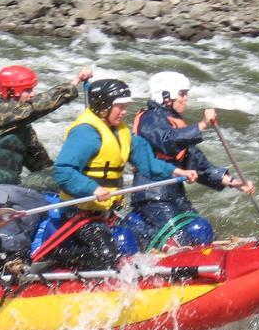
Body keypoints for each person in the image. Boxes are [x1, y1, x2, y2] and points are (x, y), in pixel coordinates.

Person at [49, 79, 197, 269]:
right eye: (120, 106)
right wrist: (92, 189)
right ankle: (58, 255)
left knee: (146, 239)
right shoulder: (86, 133)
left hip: (106, 213)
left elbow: (148, 164)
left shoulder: (121, 132)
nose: (125, 111)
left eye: (125, 106)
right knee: (106, 256)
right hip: (78, 215)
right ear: (104, 107)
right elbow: (63, 171)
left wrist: (177, 171)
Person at [127, 71, 254, 249]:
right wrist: (202, 125)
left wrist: (234, 183)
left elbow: (197, 163)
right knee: (180, 239)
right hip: (152, 195)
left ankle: (206, 263)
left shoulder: (173, 121)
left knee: (201, 231)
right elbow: (167, 142)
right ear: (166, 96)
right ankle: (152, 245)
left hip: (174, 195)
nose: (186, 99)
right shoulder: (150, 118)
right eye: (182, 94)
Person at [0, 64, 92, 192]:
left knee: (64, 177)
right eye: (27, 90)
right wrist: (75, 82)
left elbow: (42, 165)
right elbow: (36, 107)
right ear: (12, 91)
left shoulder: (21, 125)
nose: (32, 95)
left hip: (9, 190)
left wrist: (73, 174)